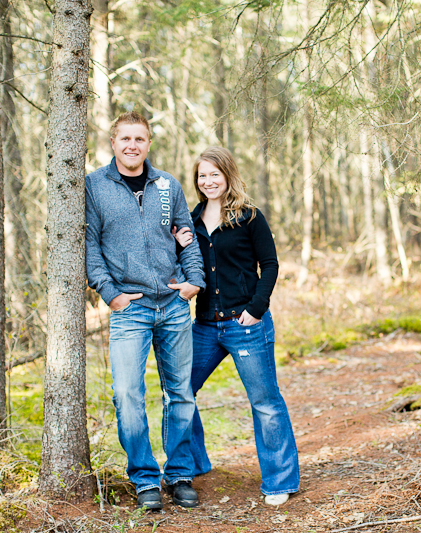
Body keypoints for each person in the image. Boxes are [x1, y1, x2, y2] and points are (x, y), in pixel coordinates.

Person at [85, 111, 205, 511]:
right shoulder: (94, 187)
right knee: (127, 395)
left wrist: (193, 282)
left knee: (181, 394)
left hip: (172, 305)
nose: (132, 145)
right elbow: (90, 247)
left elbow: (187, 234)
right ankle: (144, 479)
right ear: (113, 143)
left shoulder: (167, 184)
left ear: (148, 144)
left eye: (140, 139)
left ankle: (181, 474)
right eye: (125, 139)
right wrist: (110, 293)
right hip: (129, 309)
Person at [173, 146, 300, 506]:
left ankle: (280, 481)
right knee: (180, 392)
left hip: (246, 324)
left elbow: (270, 265)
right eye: (202, 175)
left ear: (228, 176)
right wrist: (176, 243)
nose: (208, 181)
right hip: (205, 325)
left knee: (265, 401)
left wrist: (257, 308)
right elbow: (186, 266)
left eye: (215, 174)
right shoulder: (193, 219)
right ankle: (195, 463)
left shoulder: (249, 216)